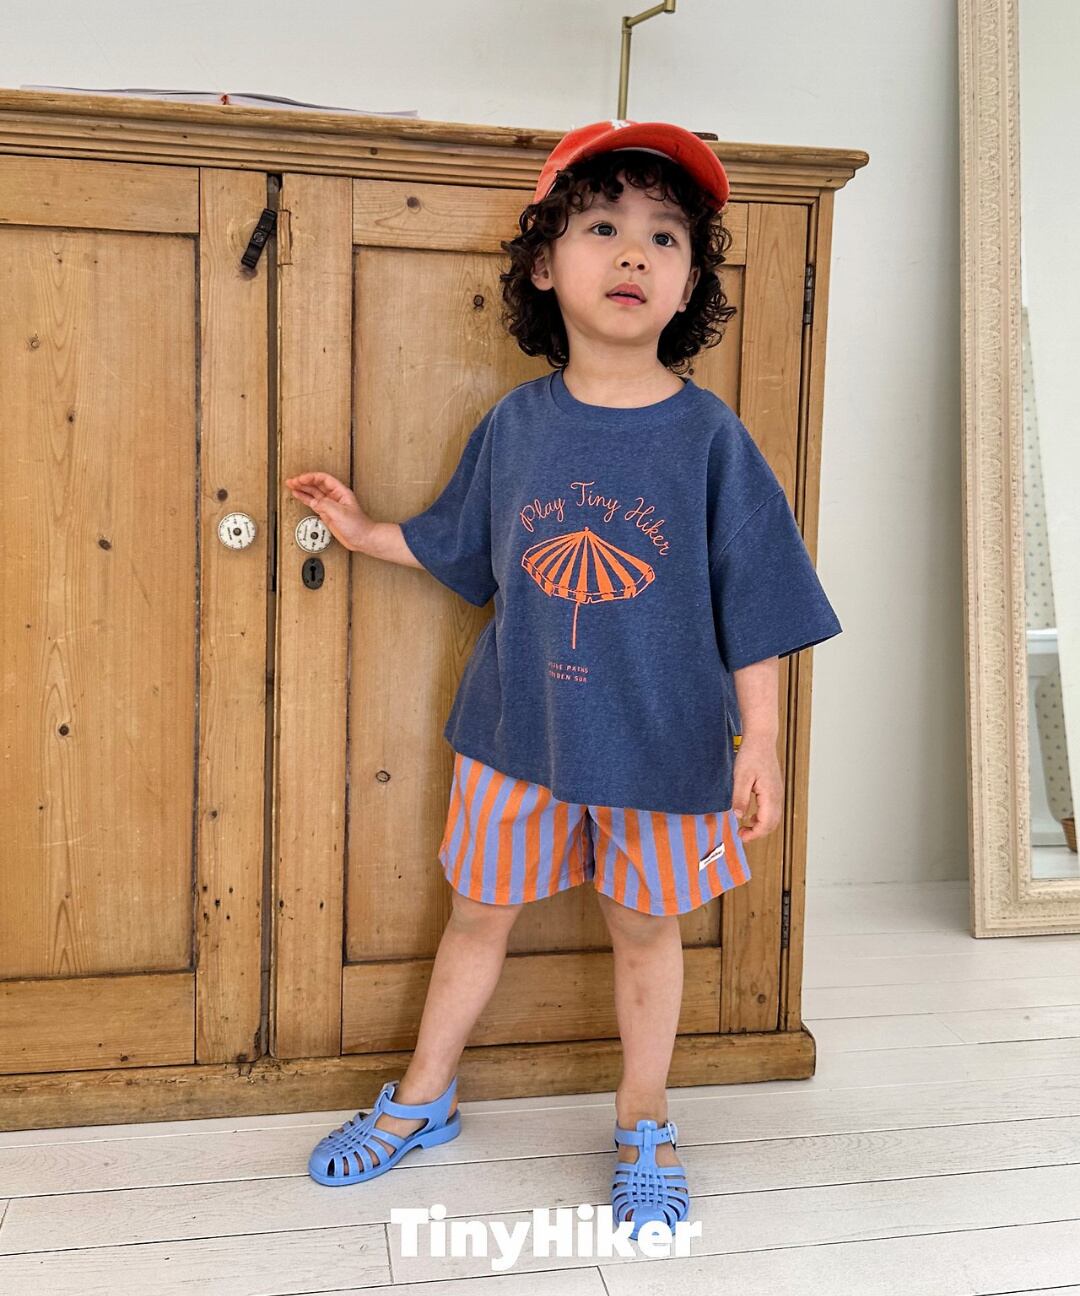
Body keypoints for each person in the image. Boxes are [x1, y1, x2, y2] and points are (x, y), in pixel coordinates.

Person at [286, 119, 843, 1239]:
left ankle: (645, 1119)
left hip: (666, 752)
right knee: (476, 916)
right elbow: (460, 545)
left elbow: (759, 608)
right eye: (602, 227)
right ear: (545, 263)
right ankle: (424, 1097)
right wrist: (363, 531)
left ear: (690, 282)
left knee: (646, 932)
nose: (634, 253)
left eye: (665, 236)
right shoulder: (517, 425)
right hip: (516, 739)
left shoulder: (711, 440)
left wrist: (765, 746)